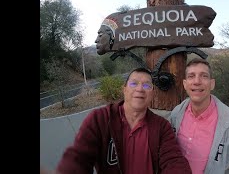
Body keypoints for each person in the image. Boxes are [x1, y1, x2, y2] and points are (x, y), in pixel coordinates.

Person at [44, 67, 191, 174]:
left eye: (146, 85)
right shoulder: (99, 119)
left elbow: (173, 160)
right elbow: (78, 158)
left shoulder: (161, 127)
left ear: (152, 93)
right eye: (134, 84)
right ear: (124, 89)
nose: (140, 89)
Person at [168, 58, 229, 174]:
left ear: (212, 84)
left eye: (204, 76)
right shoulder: (176, 114)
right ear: (185, 84)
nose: (197, 81)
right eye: (191, 76)